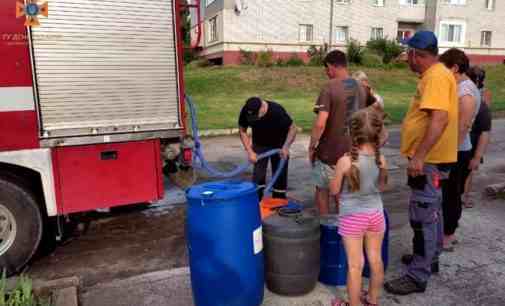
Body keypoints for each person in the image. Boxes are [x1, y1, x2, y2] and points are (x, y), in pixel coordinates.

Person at [384, 31, 459, 295]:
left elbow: (439, 119)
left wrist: (419, 156)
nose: (406, 59)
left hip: (429, 161)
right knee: (433, 211)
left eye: (408, 54)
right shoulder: (437, 74)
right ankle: (430, 257)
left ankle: (418, 275)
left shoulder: (436, 77)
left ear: (416, 54)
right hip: (436, 159)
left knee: (423, 215)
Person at [329, 108, 388, 306]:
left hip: (353, 217)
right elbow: (382, 186)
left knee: (355, 266)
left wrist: (335, 176)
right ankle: (372, 299)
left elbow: (334, 190)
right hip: (376, 214)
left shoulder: (345, 161)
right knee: (375, 259)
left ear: (352, 133)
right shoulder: (381, 159)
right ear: (377, 133)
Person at [309, 50, 367, 216]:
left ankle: (327, 229)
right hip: (352, 154)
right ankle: (346, 232)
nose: (327, 73)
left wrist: (312, 146)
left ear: (331, 66)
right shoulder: (361, 88)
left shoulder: (329, 87)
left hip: (329, 154)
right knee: (343, 195)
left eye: (326, 69)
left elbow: (320, 124)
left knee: (322, 191)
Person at [438, 49, 481, 250]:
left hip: (457, 151)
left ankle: (448, 235)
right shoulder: (463, 87)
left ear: (454, 68)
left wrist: (449, 154)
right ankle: (448, 232)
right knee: (450, 193)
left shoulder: (465, 91)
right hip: (455, 151)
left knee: (451, 195)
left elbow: (462, 127)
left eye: (444, 68)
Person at [238, 97, 297, 200]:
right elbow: (242, 130)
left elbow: (293, 128)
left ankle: (279, 200)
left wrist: (286, 147)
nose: (254, 118)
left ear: (262, 108)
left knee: (280, 174)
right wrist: (250, 151)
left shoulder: (277, 111)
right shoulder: (246, 110)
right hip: (259, 144)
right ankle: (256, 201)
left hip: (279, 145)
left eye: (256, 115)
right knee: (258, 175)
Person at [462, 66, 492, 208]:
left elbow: (485, 131)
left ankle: (463, 198)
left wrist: (477, 157)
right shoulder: (479, 97)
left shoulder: (476, 100)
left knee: (467, 172)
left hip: (471, 142)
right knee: (467, 172)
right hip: (467, 142)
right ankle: (462, 198)